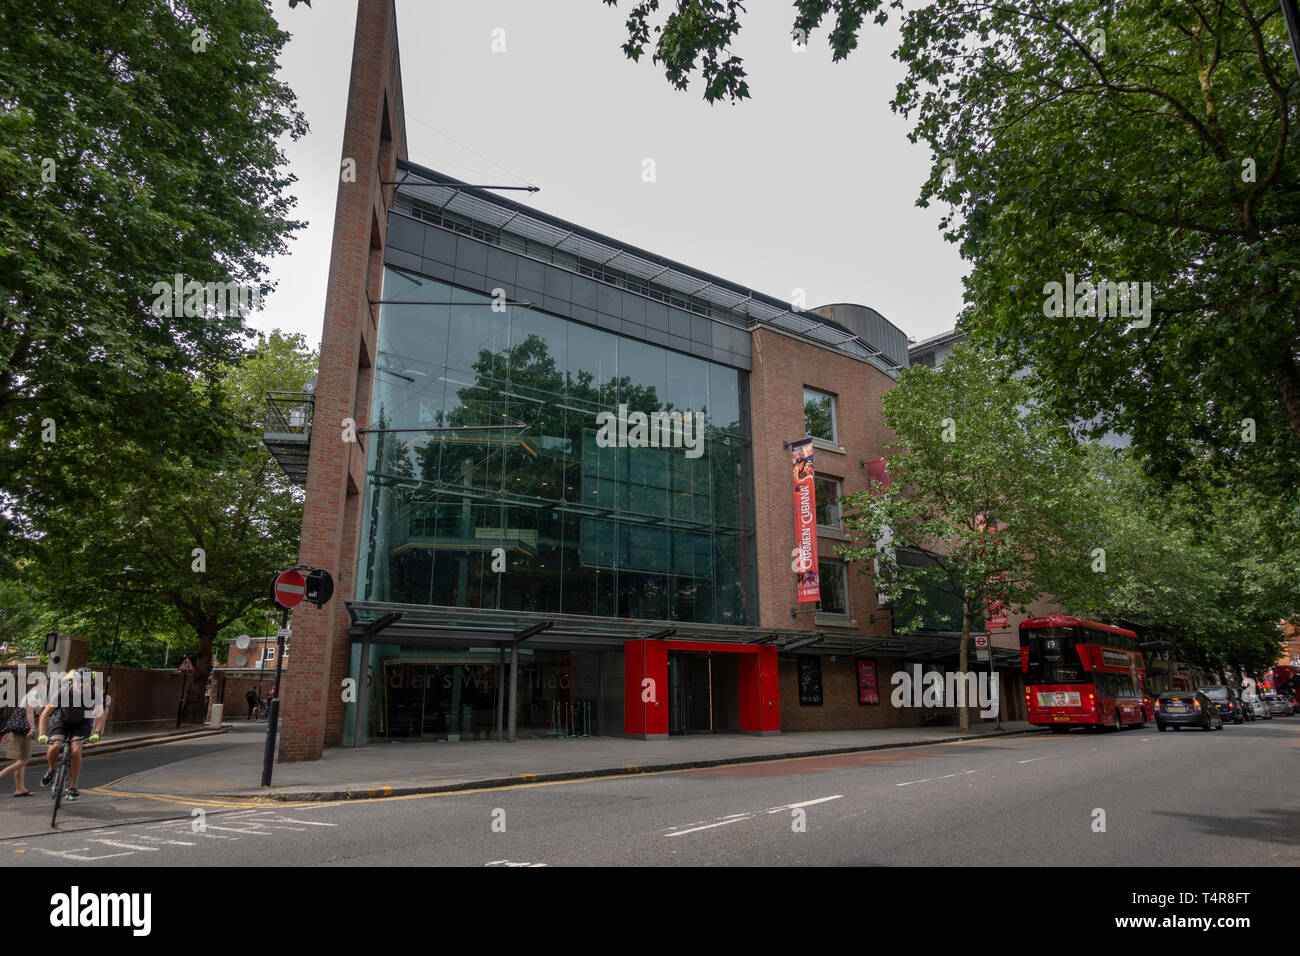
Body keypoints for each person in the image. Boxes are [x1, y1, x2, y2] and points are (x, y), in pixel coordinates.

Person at [37, 668, 107, 801]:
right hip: (62, 721)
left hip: (81, 724)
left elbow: (100, 714)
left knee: (76, 750)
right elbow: (45, 714)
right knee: (54, 746)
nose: (82, 684)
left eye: (85, 681)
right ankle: (51, 770)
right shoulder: (63, 691)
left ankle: (73, 787)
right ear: (73, 679)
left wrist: (96, 732)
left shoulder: (93, 693)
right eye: (80, 680)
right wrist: (41, 734)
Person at [0, 684, 43, 797]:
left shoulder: (29, 694)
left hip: (20, 730)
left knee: (21, 761)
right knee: (23, 761)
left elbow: (18, 714)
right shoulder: (34, 694)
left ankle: (20, 788)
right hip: (24, 731)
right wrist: (33, 729)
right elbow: (29, 711)